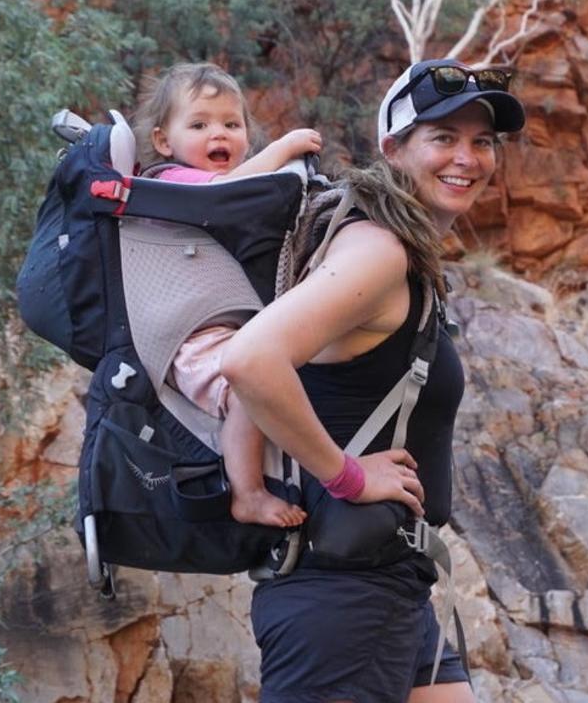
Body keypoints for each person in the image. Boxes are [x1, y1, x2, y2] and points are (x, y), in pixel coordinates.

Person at [219, 59, 525, 702]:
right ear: (393, 147)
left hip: (390, 589)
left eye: (482, 142)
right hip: (341, 599)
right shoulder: (379, 251)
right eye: (443, 138)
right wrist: (348, 475)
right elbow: (250, 360)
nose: (466, 158)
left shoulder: (400, 253)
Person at [133, 61, 322, 528]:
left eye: (231, 124)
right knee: (248, 389)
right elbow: (227, 191)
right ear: (163, 141)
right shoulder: (170, 183)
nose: (218, 134)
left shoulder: (206, 190)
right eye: (199, 125)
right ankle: (248, 493)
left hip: (213, 324)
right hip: (188, 338)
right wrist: (285, 149)